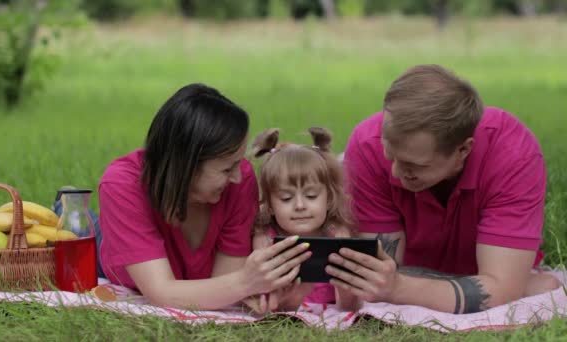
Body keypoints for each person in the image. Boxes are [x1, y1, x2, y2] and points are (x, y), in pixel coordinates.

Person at [329, 64, 561, 314]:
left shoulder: (513, 155)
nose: (395, 172)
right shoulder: (367, 146)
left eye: (413, 165)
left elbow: (390, 285)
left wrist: (399, 289)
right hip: (469, 271)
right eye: (390, 156)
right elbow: (380, 278)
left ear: (463, 149)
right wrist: (507, 286)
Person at [97, 83, 311, 310]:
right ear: (186, 166)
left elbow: (223, 291)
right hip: (119, 259)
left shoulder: (240, 182)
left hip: (185, 271)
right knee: (76, 232)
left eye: (237, 163)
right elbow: (161, 292)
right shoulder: (122, 185)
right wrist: (247, 282)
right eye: (226, 169)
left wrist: (270, 292)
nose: (238, 177)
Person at [249, 127, 361, 313]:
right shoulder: (266, 239)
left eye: (311, 196)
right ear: (269, 205)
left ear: (329, 199)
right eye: (286, 198)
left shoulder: (337, 235)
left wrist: (346, 288)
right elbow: (267, 306)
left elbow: (348, 309)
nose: (300, 205)